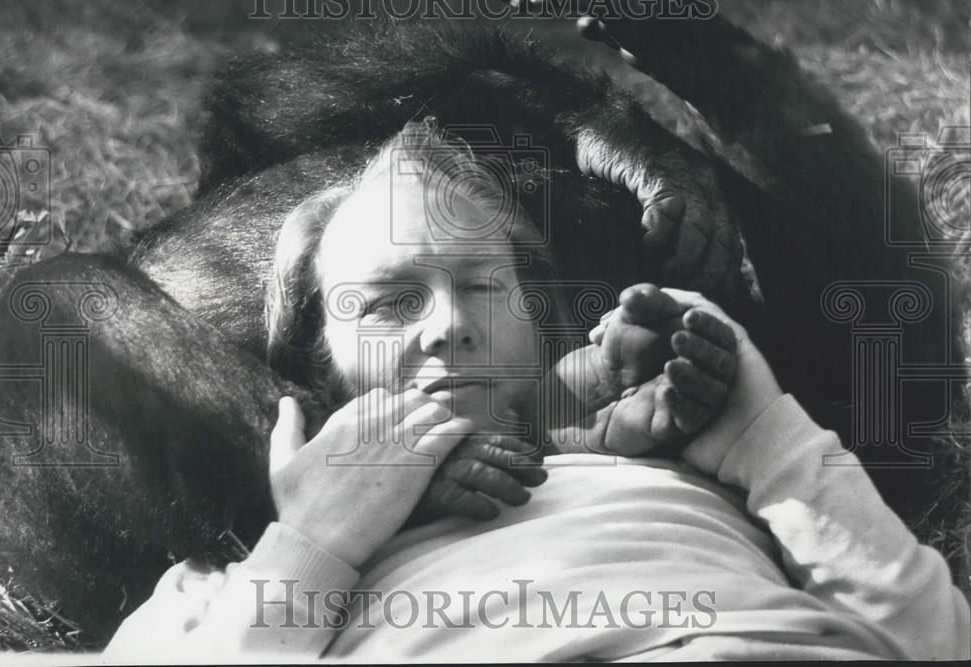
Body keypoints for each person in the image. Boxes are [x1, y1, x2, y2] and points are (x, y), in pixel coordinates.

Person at [104, 123, 969, 662]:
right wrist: (313, 542)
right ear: (316, 365)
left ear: (539, 324)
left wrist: (762, 433)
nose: (448, 325)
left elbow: (936, 641)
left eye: (482, 287)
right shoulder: (242, 584)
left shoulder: (701, 469)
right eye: (389, 301)